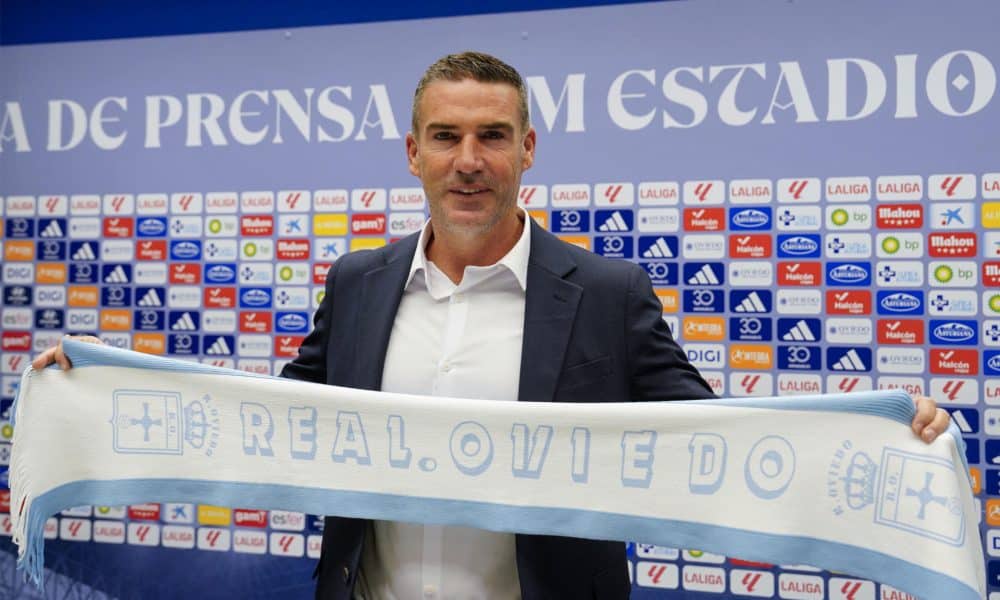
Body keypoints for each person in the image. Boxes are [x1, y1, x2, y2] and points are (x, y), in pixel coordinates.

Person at [34, 52, 952, 600]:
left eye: (491, 137)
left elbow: (710, 446)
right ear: (411, 154)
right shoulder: (356, 283)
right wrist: (98, 385)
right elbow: (273, 424)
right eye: (445, 137)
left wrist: (877, 436)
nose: (468, 162)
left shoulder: (605, 291)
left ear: (527, 151)